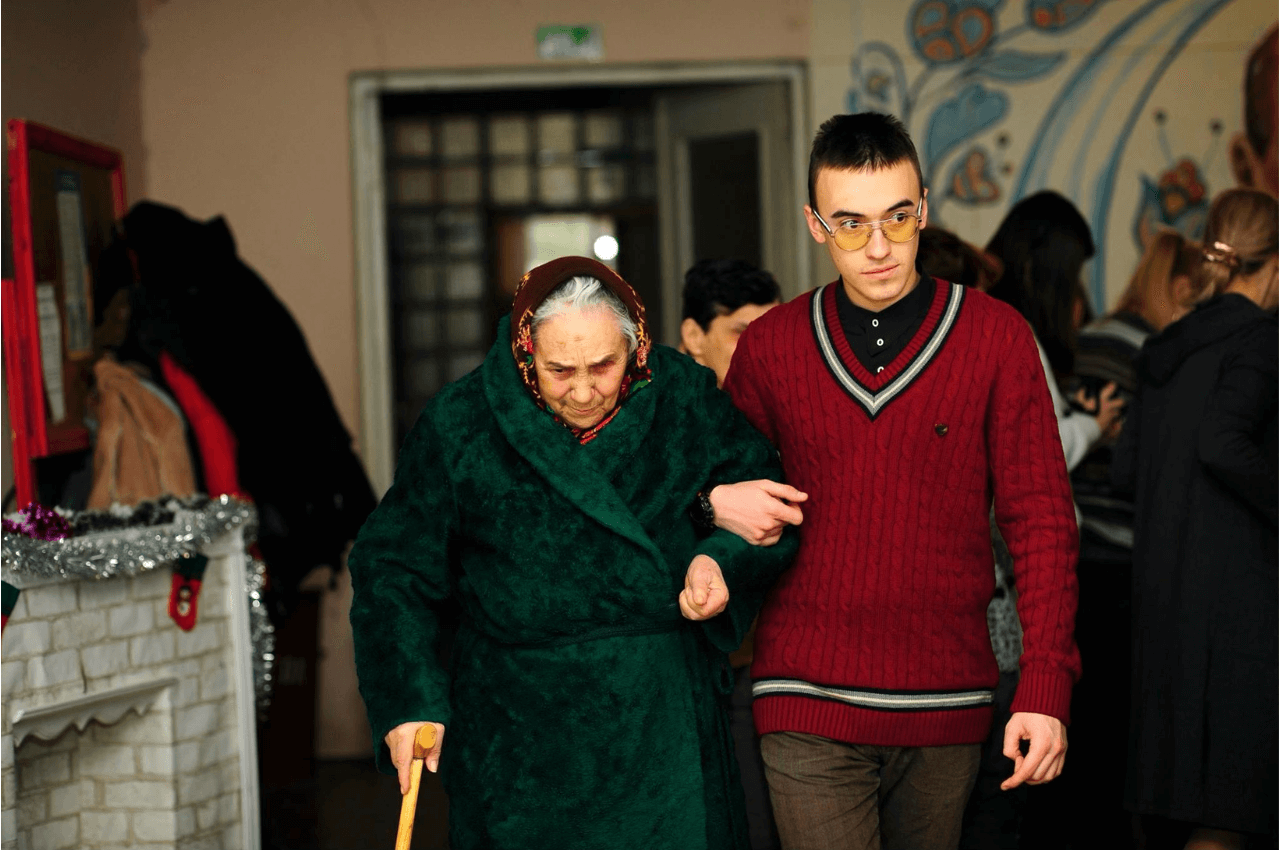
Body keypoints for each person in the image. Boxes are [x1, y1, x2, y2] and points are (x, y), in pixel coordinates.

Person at [347, 256, 800, 850]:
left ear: (635, 345)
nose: (584, 392)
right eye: (559, 370)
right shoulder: (463, 422)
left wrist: (717, 559)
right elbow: (393, 567)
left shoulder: (683, 397)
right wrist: (409, 700)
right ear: (525, 351)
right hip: (518, 733)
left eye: (604, 366)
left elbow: (771, 509)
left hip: (662, 723)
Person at [717, 112, 1081, 850]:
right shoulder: (771, 347)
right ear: (816, 225)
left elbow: (1042, 519)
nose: (879, 247)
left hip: (948, 697)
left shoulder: (996, 337)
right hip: (803, 693)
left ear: (924, 209)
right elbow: (703, 492)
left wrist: (1045, 685)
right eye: (850, 224)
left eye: (898, 217)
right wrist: (712, 500)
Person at [1114, 189, 1278, 850]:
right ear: (1274, 264)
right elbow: (1221, 442)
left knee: (1184, 817)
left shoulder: (1164, 348)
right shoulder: (1261, 341)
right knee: (1229, 819)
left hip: (1162, 611)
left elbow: (1126, 472)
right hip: (1236, 616)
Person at [680, 257, 789, 850]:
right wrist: (708, 505)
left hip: (774, 661)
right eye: (742, 332)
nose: (759, 347)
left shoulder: (779, 404)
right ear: (694, 336)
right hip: (685, 664)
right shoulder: (659, 413)